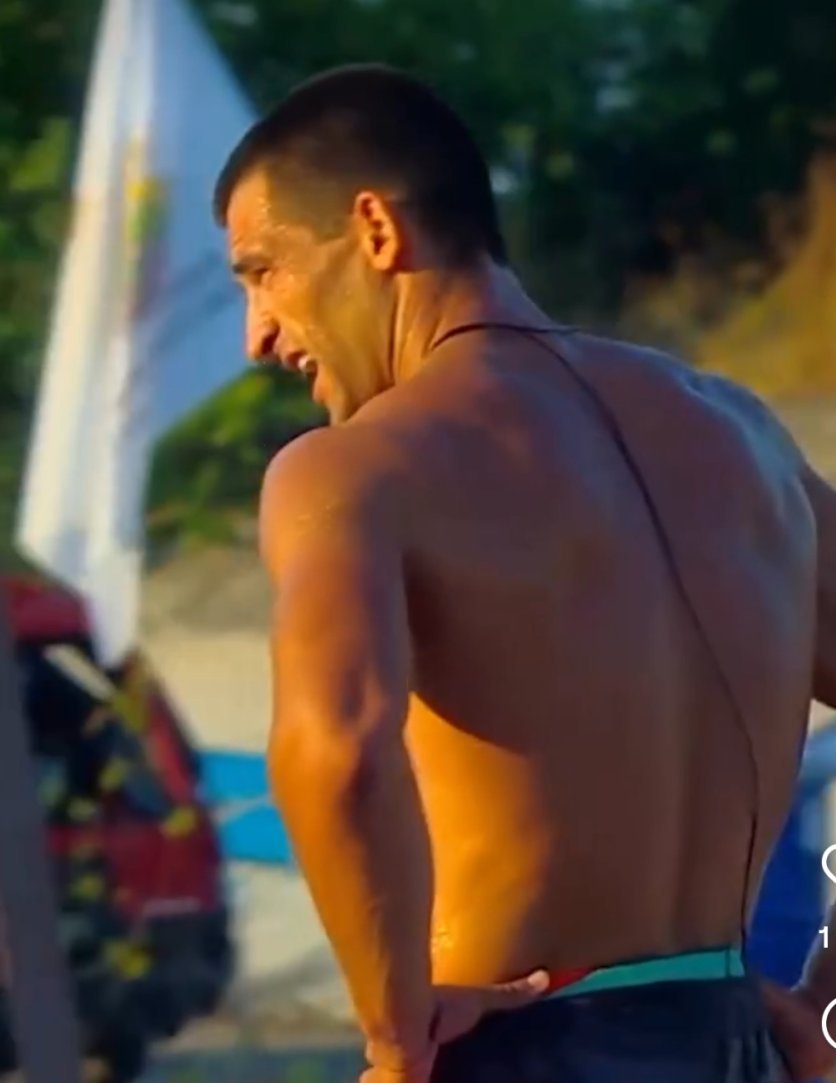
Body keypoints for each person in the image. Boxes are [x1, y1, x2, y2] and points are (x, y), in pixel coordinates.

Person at [213, 64, 836, 1082]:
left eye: (262, 271)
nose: (257, 335)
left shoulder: (357, 468)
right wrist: (822, 1004)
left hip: (513, 1044)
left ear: (374, 228)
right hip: (733, 1039)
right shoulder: (744, 438)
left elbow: (336, 752)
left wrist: (394, 1039)